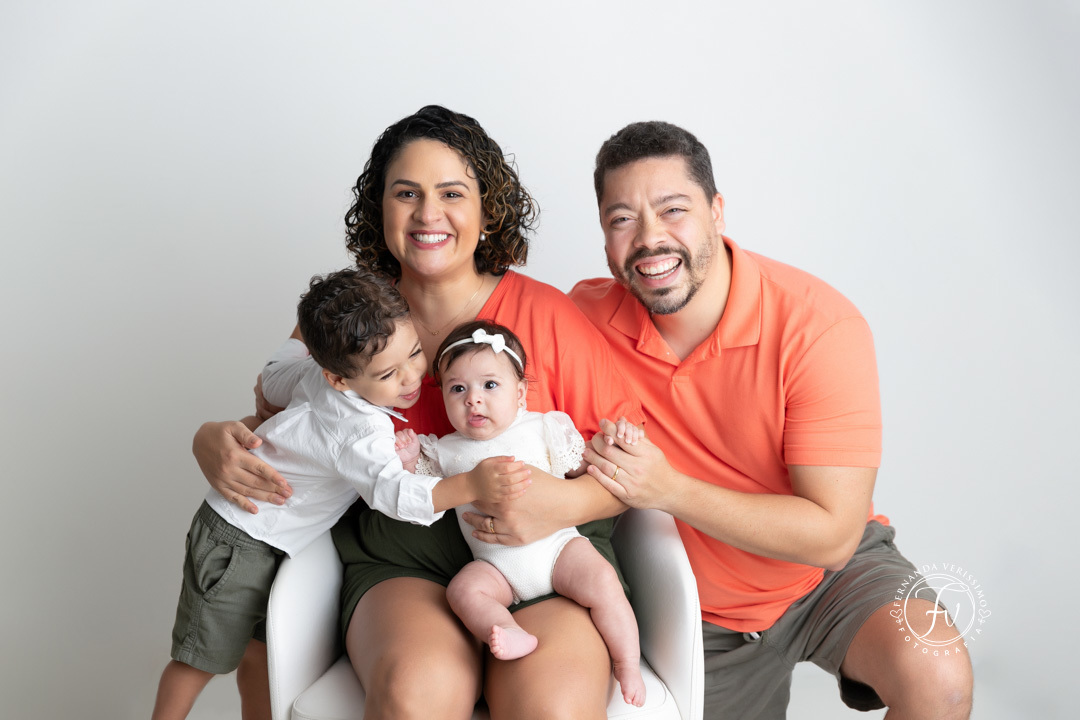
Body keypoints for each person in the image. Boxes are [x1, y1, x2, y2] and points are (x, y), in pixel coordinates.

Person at [192, 105, 643, 719]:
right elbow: (284, 427)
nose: (429, 214)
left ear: (488, 209)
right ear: (379, 207)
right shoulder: (347, 318)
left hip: (544, 551)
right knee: (415, 693)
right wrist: (210, 438)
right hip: (404, 559)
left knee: (554, 706)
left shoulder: (550, 318)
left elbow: (631, 471)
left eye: (452, 193)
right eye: (407, 193)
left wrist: (562, 504)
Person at [575, 121, 975, 719]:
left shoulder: (818, 326)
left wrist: (668, 489)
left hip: (827, 576)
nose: (650, 238)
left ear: (717, 211)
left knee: (939, 678)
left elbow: (835, 537)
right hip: (697, 614)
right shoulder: (580, 323)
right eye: (622, 219)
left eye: (673, 209)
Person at [154, 268, 528, 720]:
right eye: (388, 374)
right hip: (240, 537)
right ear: (338, 379)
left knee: (260, 656)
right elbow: (394, 495)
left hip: (278, 539)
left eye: (414, 353)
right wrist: (469, 485)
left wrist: (293, 358)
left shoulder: (313, 374)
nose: (411, 378)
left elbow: (273, 374)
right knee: (199, 659)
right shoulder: (359, 430)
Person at [395, 320, 645, 707]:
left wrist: (610, 445)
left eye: (489, 385)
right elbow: (422, 492)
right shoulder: (445, 450)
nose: (473, 400)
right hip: (496, 567)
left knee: (602, 581)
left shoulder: (542, 427)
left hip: (558, 550)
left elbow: (579, 469)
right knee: (463, 591)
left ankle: (627, 662)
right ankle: (506, 629)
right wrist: (410, 459)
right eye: (458, 388)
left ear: (521, 392)